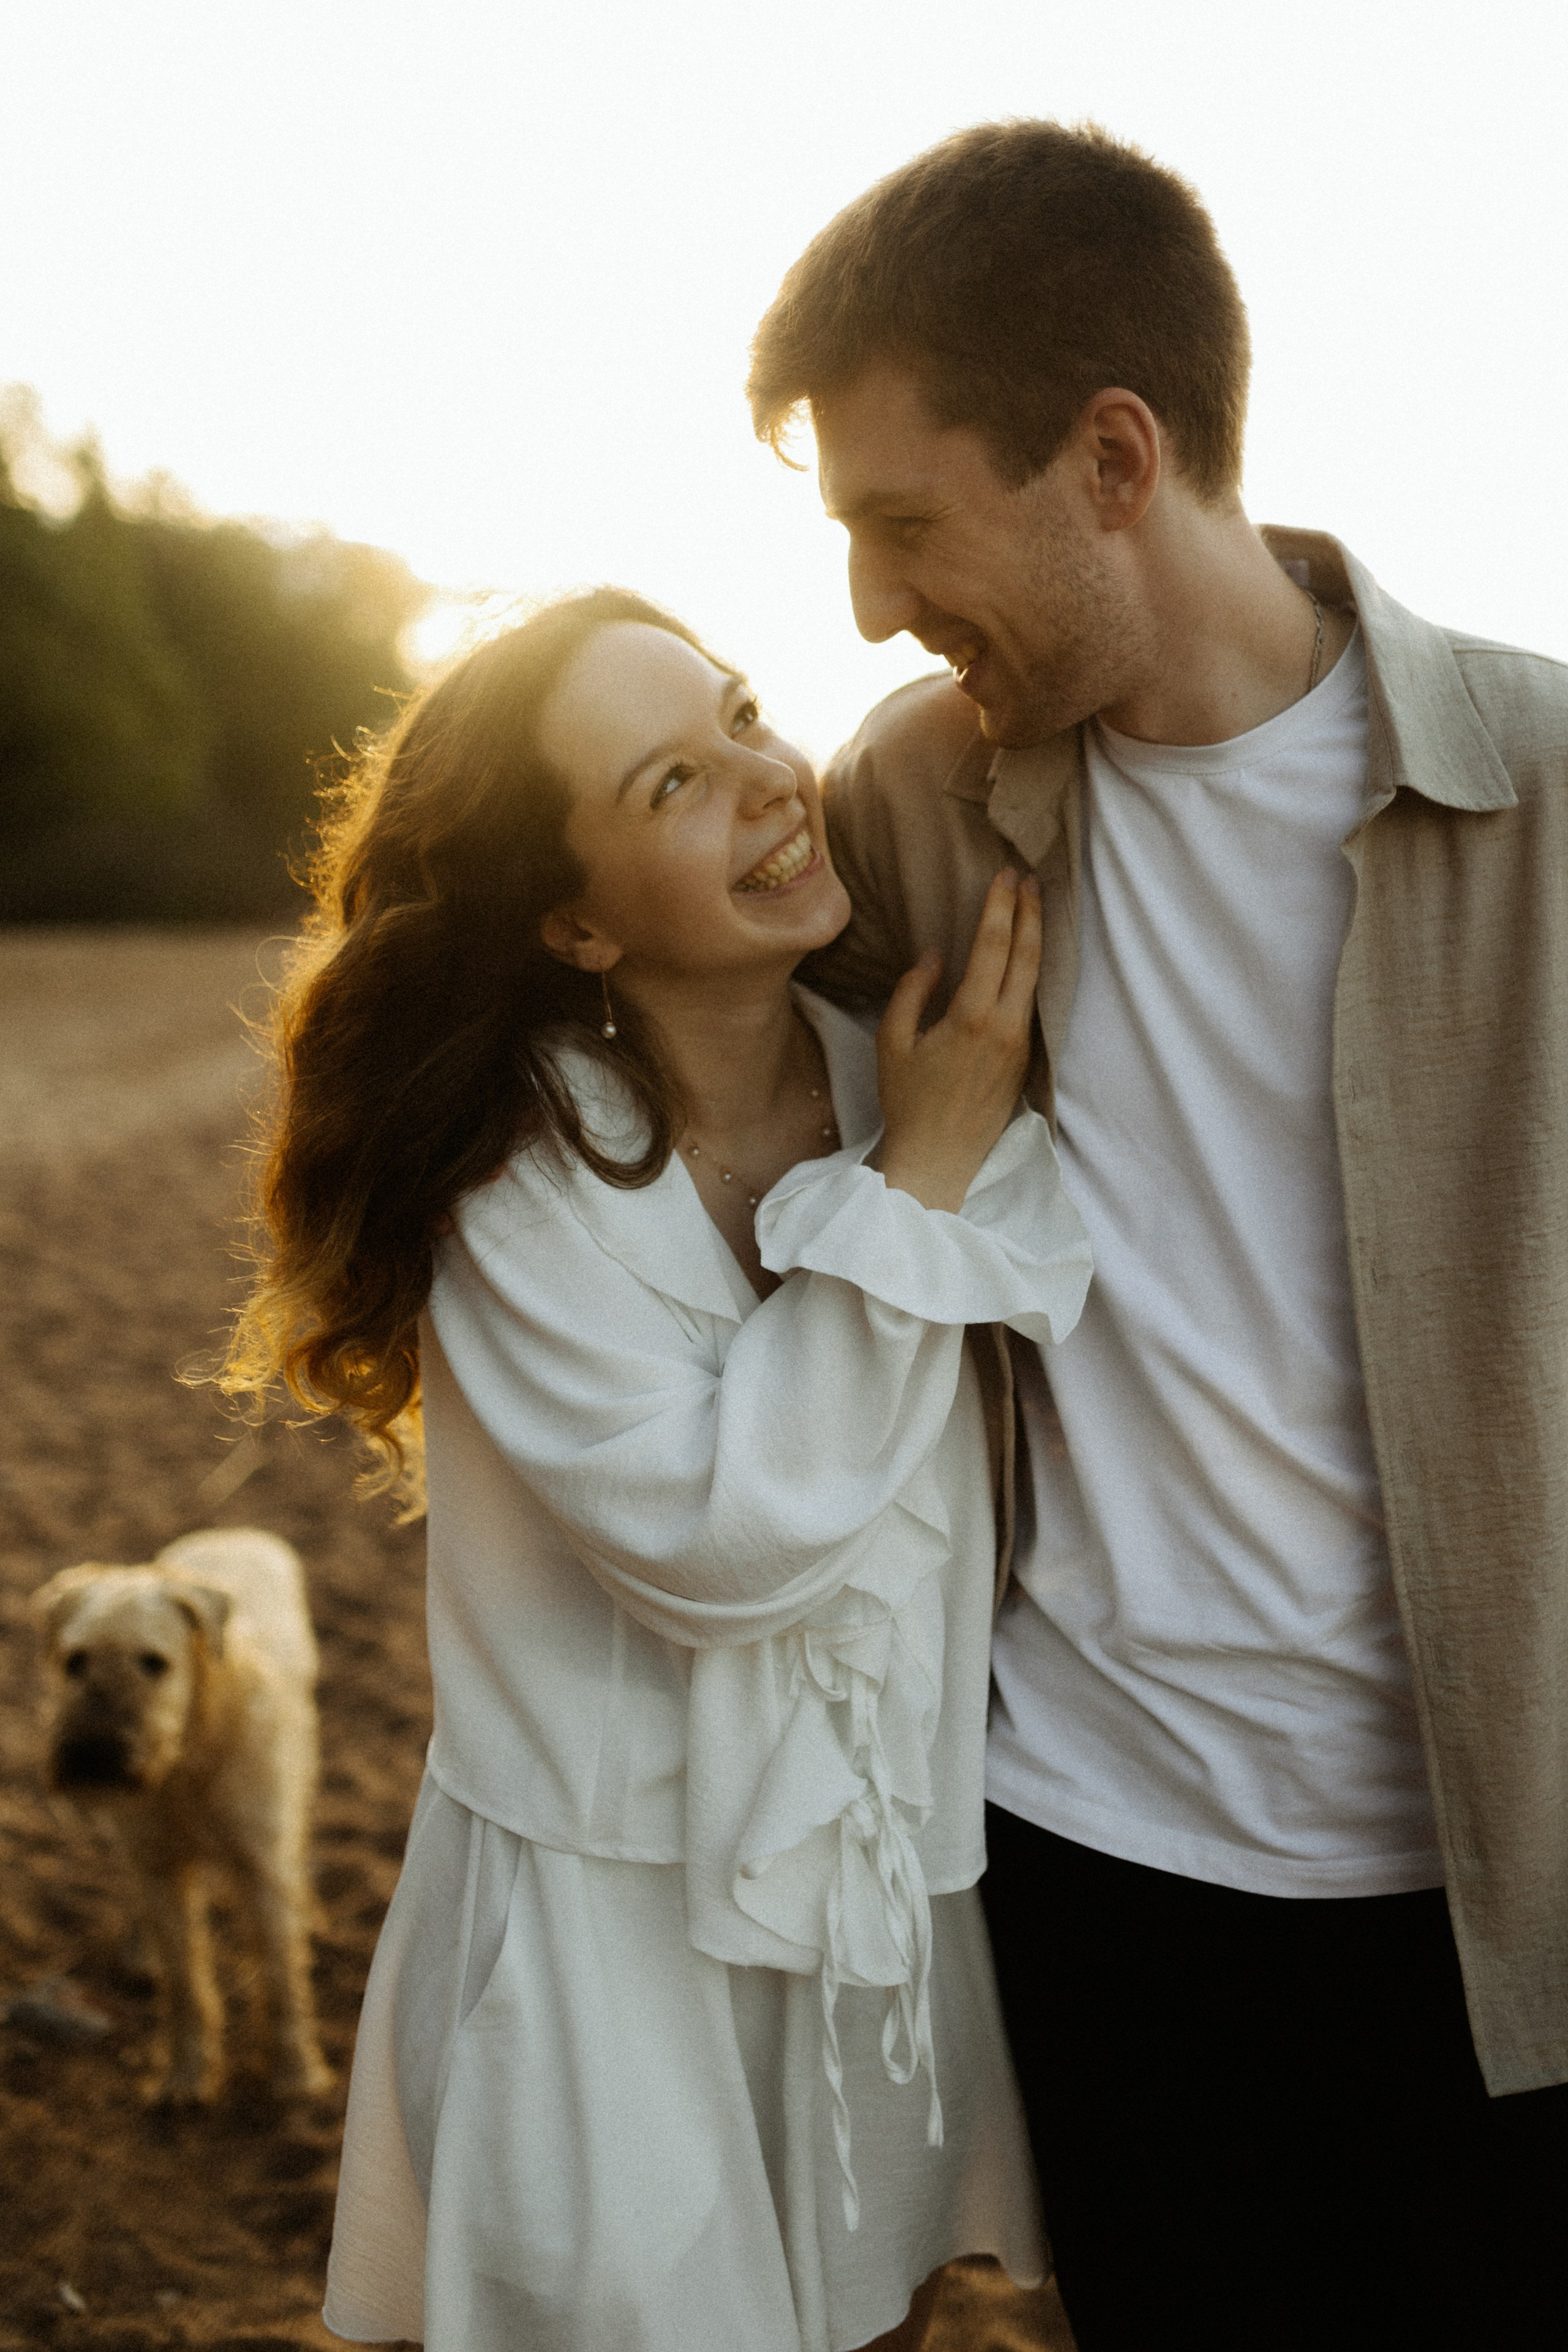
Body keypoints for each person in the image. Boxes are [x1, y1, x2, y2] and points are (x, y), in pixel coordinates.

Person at [747, 119, 1568, 2351]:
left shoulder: (1552, 793)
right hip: (1093, 1864)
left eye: (904, 523)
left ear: (1114, 455)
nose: (870, 605)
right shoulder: (915, 797)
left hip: (1502, 1895)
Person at [220, 585, 1094, 2352]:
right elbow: (720, 1539)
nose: (771, 780)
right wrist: (913, 1190)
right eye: (672, 784)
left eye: (749, 714)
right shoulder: (524, 1182)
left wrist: (920, 1149)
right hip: (604, 1945)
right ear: (576, 922)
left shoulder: (911, 1073)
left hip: (866, 1894)